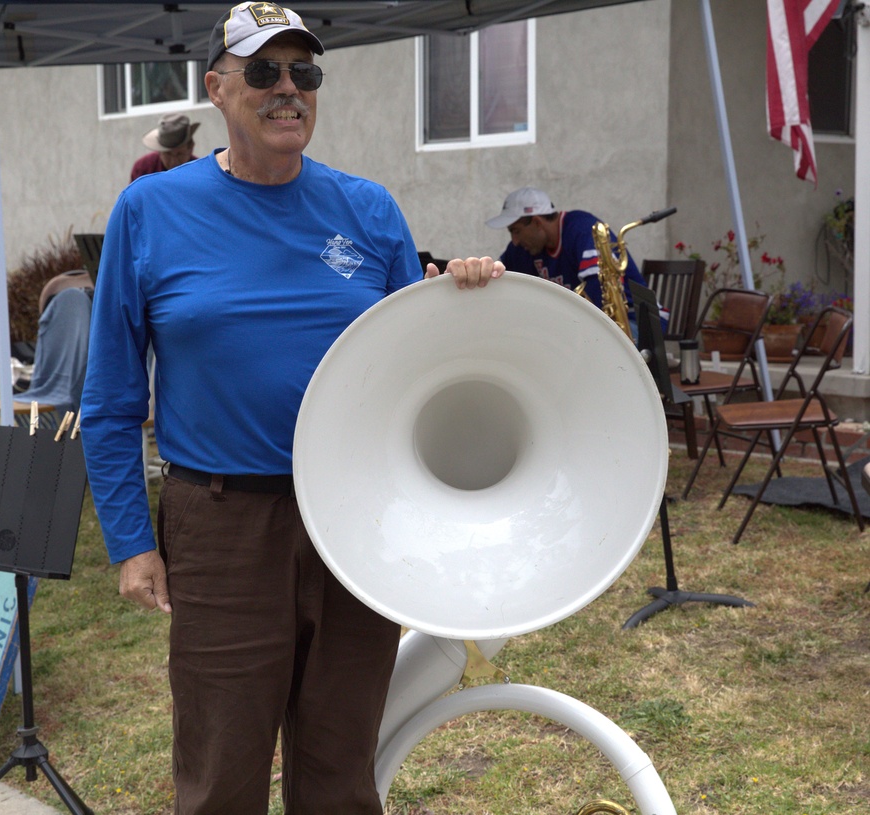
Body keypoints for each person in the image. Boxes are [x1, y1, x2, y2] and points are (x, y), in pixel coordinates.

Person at [81, 3, 503, 814]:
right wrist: (132, 540)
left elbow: (420, 365)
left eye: (304, 73)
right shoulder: (151, 211)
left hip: (358, 514)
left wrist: (468, 299)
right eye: (264, 71)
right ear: (217, 88)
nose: (288, 91)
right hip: (222, 520)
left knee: (342, 769)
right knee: (220, 774)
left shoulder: (368, 209)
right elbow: (109, 399)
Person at [486, 186, 651, 329]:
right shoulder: (523, 248)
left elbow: (599, 293)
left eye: (516, 231)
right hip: (583, 328)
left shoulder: (583, 230)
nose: (514, 241)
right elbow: (503, 285)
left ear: (537, 222)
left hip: (633, 322)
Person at [129, 113, 200, 182]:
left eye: (179, 154)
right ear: (159, 152)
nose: (174, 161)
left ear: (190, 148)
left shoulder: (200, 171)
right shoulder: (143, 168)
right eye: (168, 154)